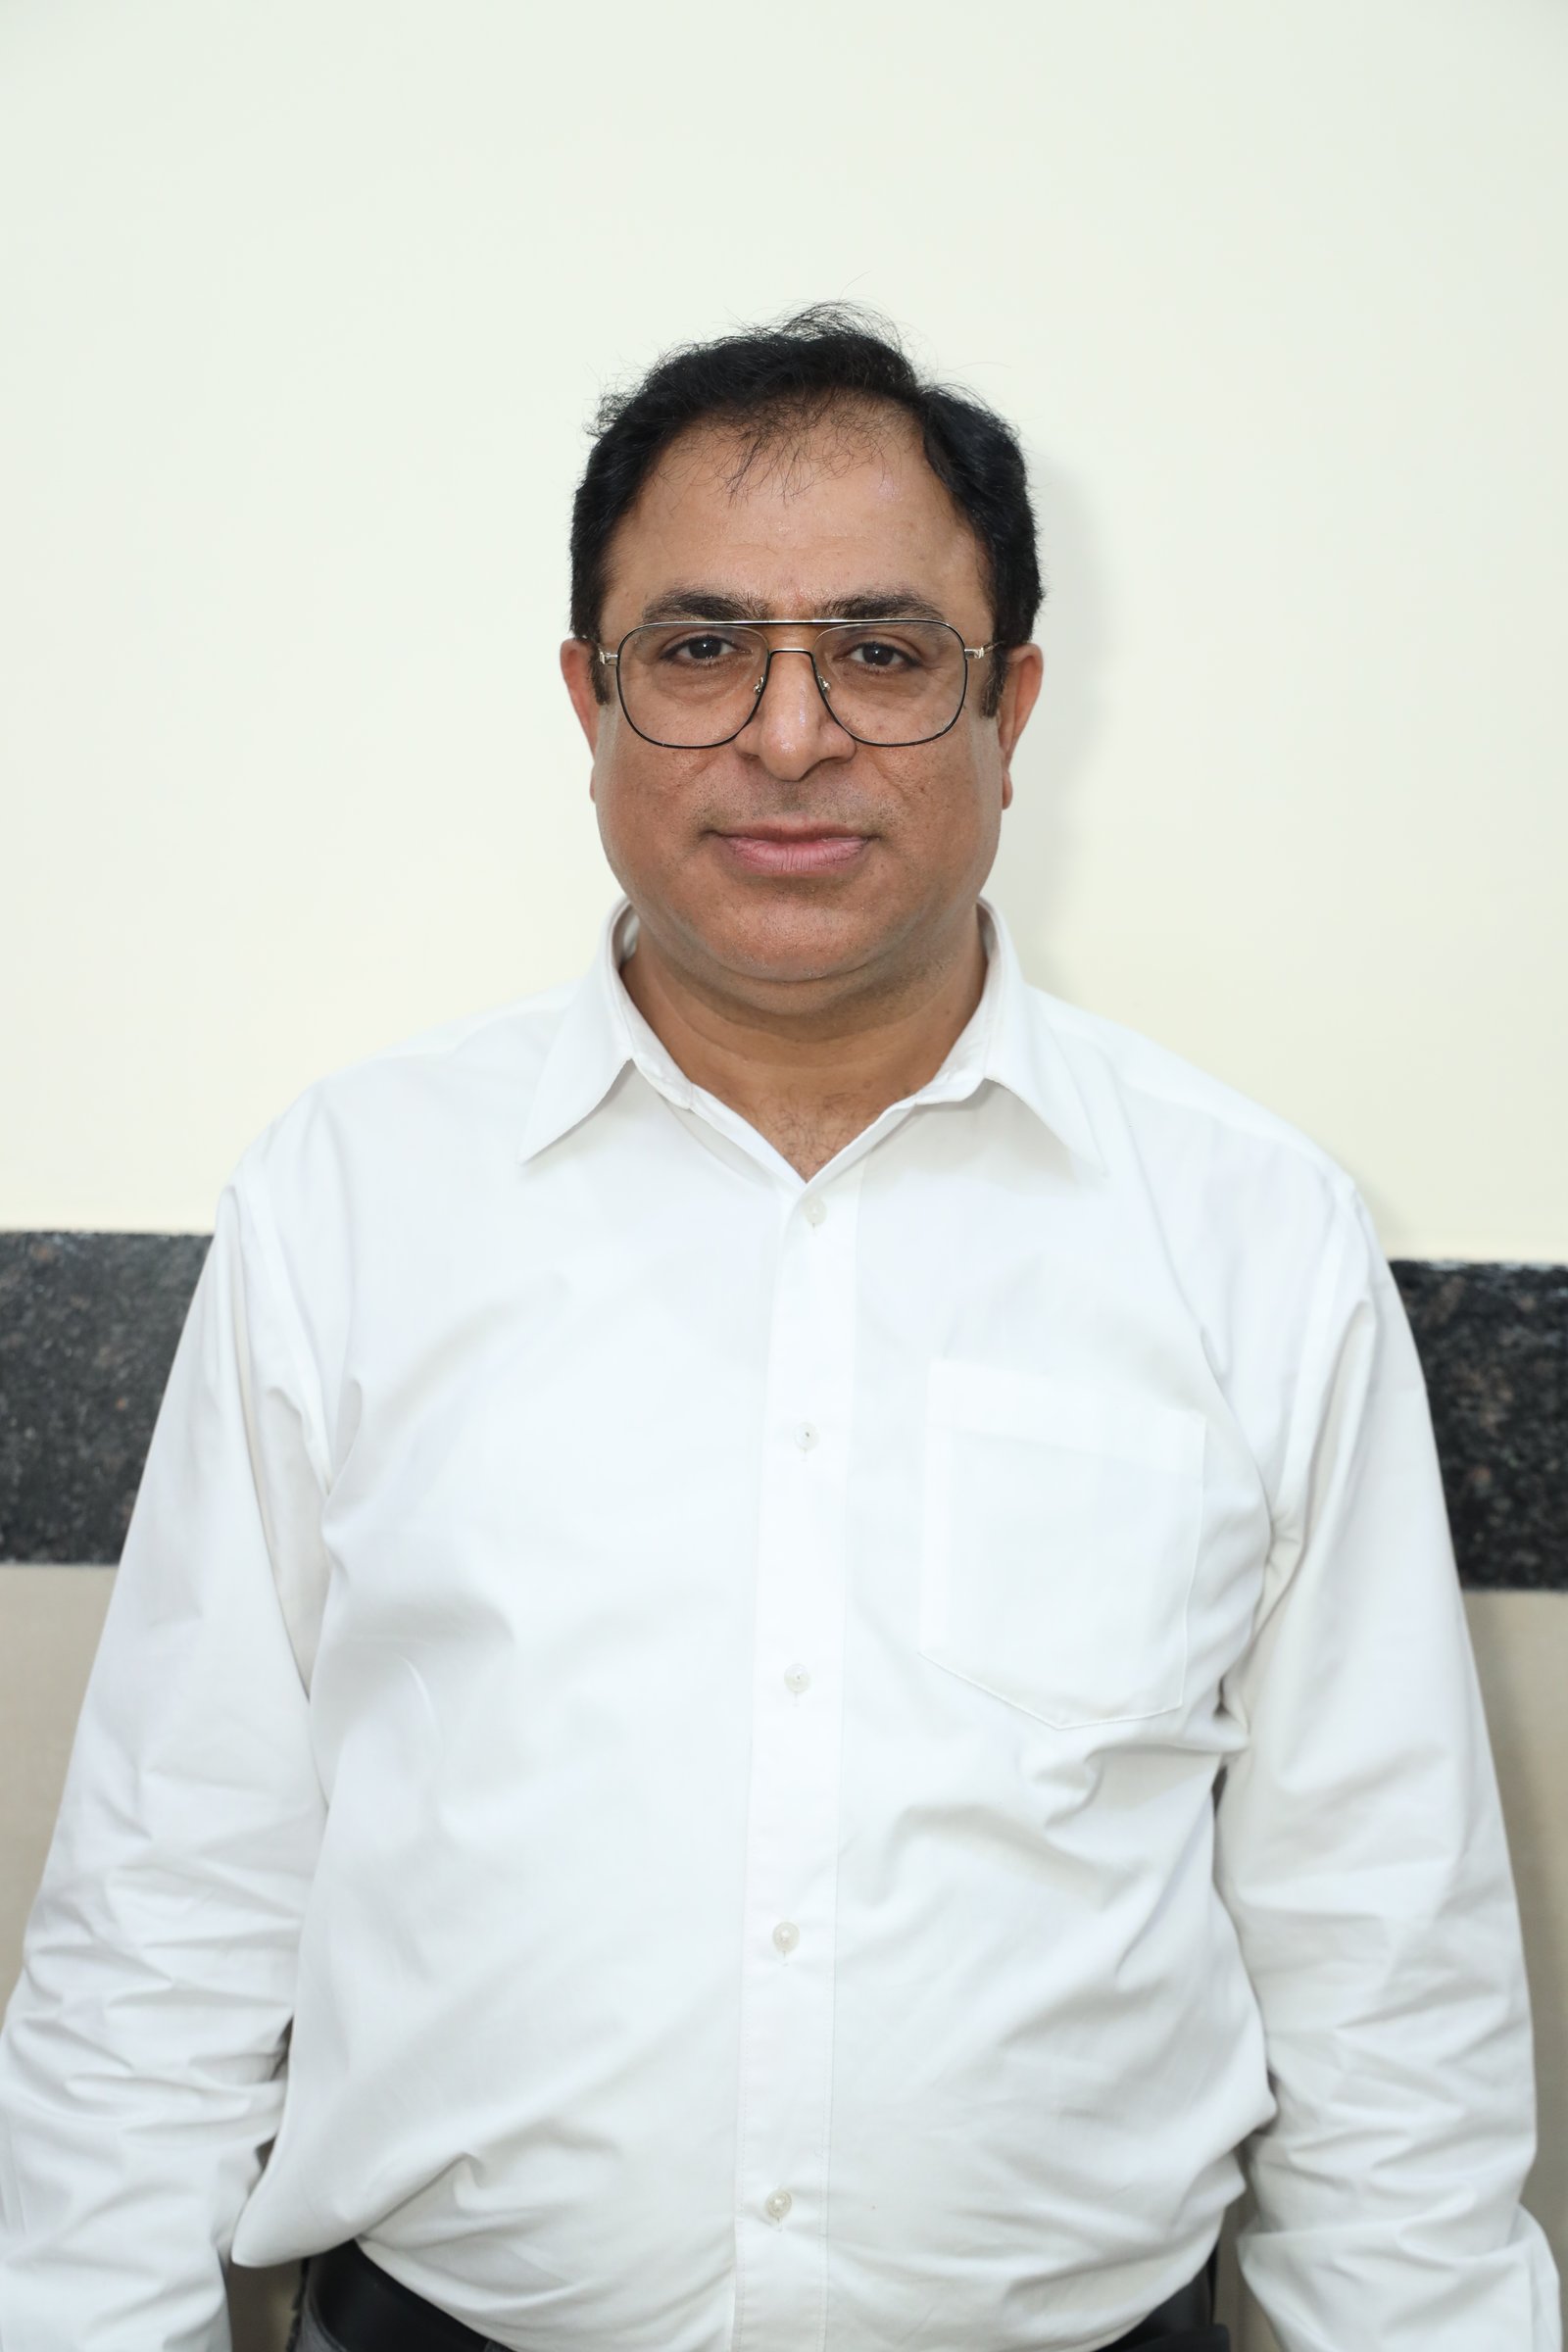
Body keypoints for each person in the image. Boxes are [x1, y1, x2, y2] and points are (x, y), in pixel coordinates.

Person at [0, 306, 1556, 2352]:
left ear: (1008, 706)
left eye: (882, 655)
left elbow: (1381, 1964)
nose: (792, 734)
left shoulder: (1250, 1230)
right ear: (589, 698)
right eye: (701, 648)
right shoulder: (351, 1197)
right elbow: (167, 1916)